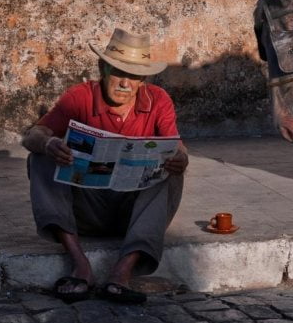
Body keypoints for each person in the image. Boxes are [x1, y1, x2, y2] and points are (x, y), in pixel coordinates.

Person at [22, 27, 188, 304]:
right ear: (103, 69)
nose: (125, 83)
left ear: (143, 79)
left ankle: (122, 273)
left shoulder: (159, 100)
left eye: (134, 76)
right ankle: (80, 265)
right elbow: (32, 135)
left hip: (133, 214)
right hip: (85, 211)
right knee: (39, 157)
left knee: (171, 171)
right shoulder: (79, 97)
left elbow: (177, 145)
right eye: (118, 72)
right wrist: (49, 144)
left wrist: (180, 157)